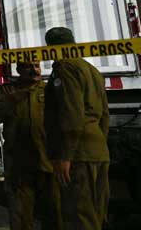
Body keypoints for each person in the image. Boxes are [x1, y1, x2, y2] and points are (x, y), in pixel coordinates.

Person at [43, 27, 109, 230]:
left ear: (50, 47)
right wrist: (99, 143)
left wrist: (66, 156)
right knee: (97, 214)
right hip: (97, 151)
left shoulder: (65, 68)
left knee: (79, 216)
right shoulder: (92, 70)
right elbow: (105, 114)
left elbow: (72, 113)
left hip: (78, 154)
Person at [0, 62, 62, 230]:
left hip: (48, 161)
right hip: (19, 163)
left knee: (54, 213)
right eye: (29, 67)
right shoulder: (6, 90)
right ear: (19, 70)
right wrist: (10, 102)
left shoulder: (49, 89)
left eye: (37, 66)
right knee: (20, 216)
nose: (34, 70)